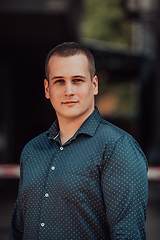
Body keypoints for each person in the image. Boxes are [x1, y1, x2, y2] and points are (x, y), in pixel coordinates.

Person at [9, 42, 148, 240]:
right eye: (59, 81)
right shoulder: (32, 150)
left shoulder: (117, 148)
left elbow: (128, 235)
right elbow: (18, 231)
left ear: (94, 85)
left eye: (77, 80)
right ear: (47, 89)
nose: (69, 91)